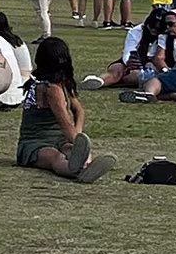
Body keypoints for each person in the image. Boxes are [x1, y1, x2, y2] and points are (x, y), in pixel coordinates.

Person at [15, 36, 108, 181]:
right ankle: (77, 171)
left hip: (60, 139)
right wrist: (78, 142)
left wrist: (78, 139)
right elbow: (64, 122)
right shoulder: (50, 89)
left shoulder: (63, 83)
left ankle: (84, 165)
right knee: (55, 157)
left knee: (70, 150)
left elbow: (79, 110)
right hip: (35, 143)